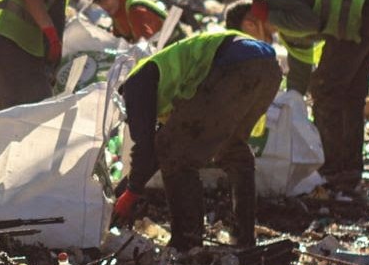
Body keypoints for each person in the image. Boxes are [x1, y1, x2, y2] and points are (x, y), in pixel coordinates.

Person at [113, 27, 282, 253]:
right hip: (268, 67)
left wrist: (130, 193)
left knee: (175, 153)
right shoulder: (159, 86)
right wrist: (131, 188)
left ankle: (187, 242)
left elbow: (149, 147)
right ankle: (244, 238)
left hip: (233, 65)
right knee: (232, 149)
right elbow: (155, 151)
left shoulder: (135, 87)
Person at [227, 0, 369, 199]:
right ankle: (349, 172)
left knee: (326, 90)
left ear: (250, 24)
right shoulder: (288, 34)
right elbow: (300, 73)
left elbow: (310, 22)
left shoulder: (277, 0)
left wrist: (270, 16)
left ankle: (331, 169)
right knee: (350, 96)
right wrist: (287, 103)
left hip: (356, 11)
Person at [94, 0, 169, 43]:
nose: (103, 5)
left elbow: (145, 43)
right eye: (99, 2)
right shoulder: (116, 13)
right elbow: (119, 40)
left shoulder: (135, 9)